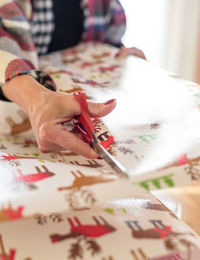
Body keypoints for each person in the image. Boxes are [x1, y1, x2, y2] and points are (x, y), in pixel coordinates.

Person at [0, 0, 145, 158]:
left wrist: (122, 60)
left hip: (93, 128)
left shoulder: (103, 4)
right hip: (17, 133)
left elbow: (107, 40)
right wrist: (36, 100)